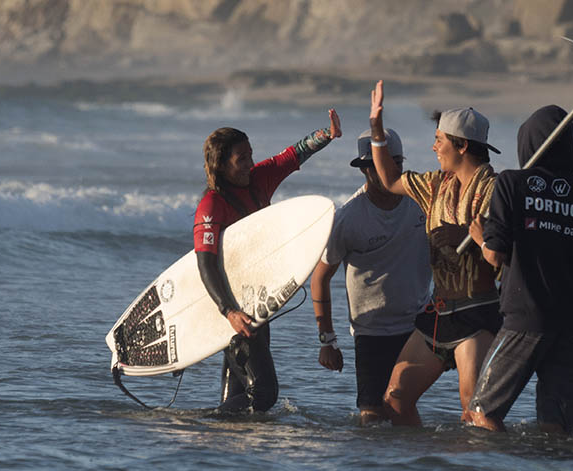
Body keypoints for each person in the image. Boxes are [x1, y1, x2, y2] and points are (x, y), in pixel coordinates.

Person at [466, 105, 573, 435]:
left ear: (529, 143)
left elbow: (494, 255)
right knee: (557, 430)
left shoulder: (512, 183)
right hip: (571, 329)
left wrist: (480, 238)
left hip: (524, 320)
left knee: (481, 413)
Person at [366, 80, 501, 425]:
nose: (433, 147)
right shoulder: (434, 184)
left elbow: (503, 260)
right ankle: (425, 466)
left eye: (439, 140)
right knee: (394, 401)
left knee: (473, 413)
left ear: (462, 145)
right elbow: (390, 180)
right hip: (439, 313)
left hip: (478, 314)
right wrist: (376, 130)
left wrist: (484, 238)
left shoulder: (496, 192)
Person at [193, 110, 342, 413]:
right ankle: (206, 425)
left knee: (239, 391)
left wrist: (326, 135)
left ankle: (222, 441)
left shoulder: (258, 180)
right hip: (235, 307)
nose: (249, 163)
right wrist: (229, 312)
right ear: (221, 164)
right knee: (263, 393)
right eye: (241, 158)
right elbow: (205, 264)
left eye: (250, 155)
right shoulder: (212, 204)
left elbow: (291, 156)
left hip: (259, 300)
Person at [310, 129, 431, 424]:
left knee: (402, 405)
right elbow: (320, 278)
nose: (391, 171)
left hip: (419, 324)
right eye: (381, 164)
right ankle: (374, 470)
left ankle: (420, 468)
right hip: (372, 332)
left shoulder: (422, 202)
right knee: (372, 416)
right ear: (365, 168)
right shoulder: (348, 217)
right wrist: (327, 340)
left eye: (396, 163)